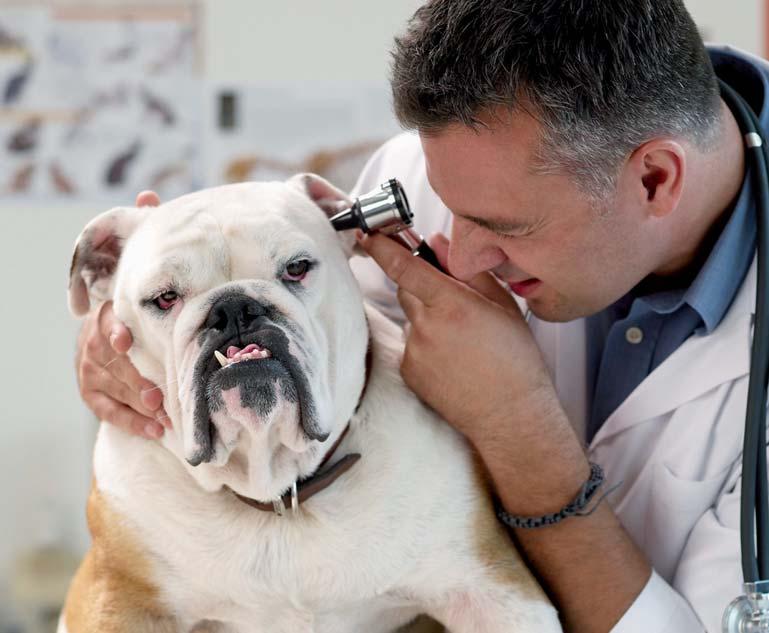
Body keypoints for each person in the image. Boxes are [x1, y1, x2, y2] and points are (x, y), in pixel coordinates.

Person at [74, 1, 768, 631]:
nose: (458, 255)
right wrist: (125, 346)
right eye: (445, 204)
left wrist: (516, 427)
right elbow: (298, 343)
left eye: (503, 227)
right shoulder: (456, 168)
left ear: (654, 178)